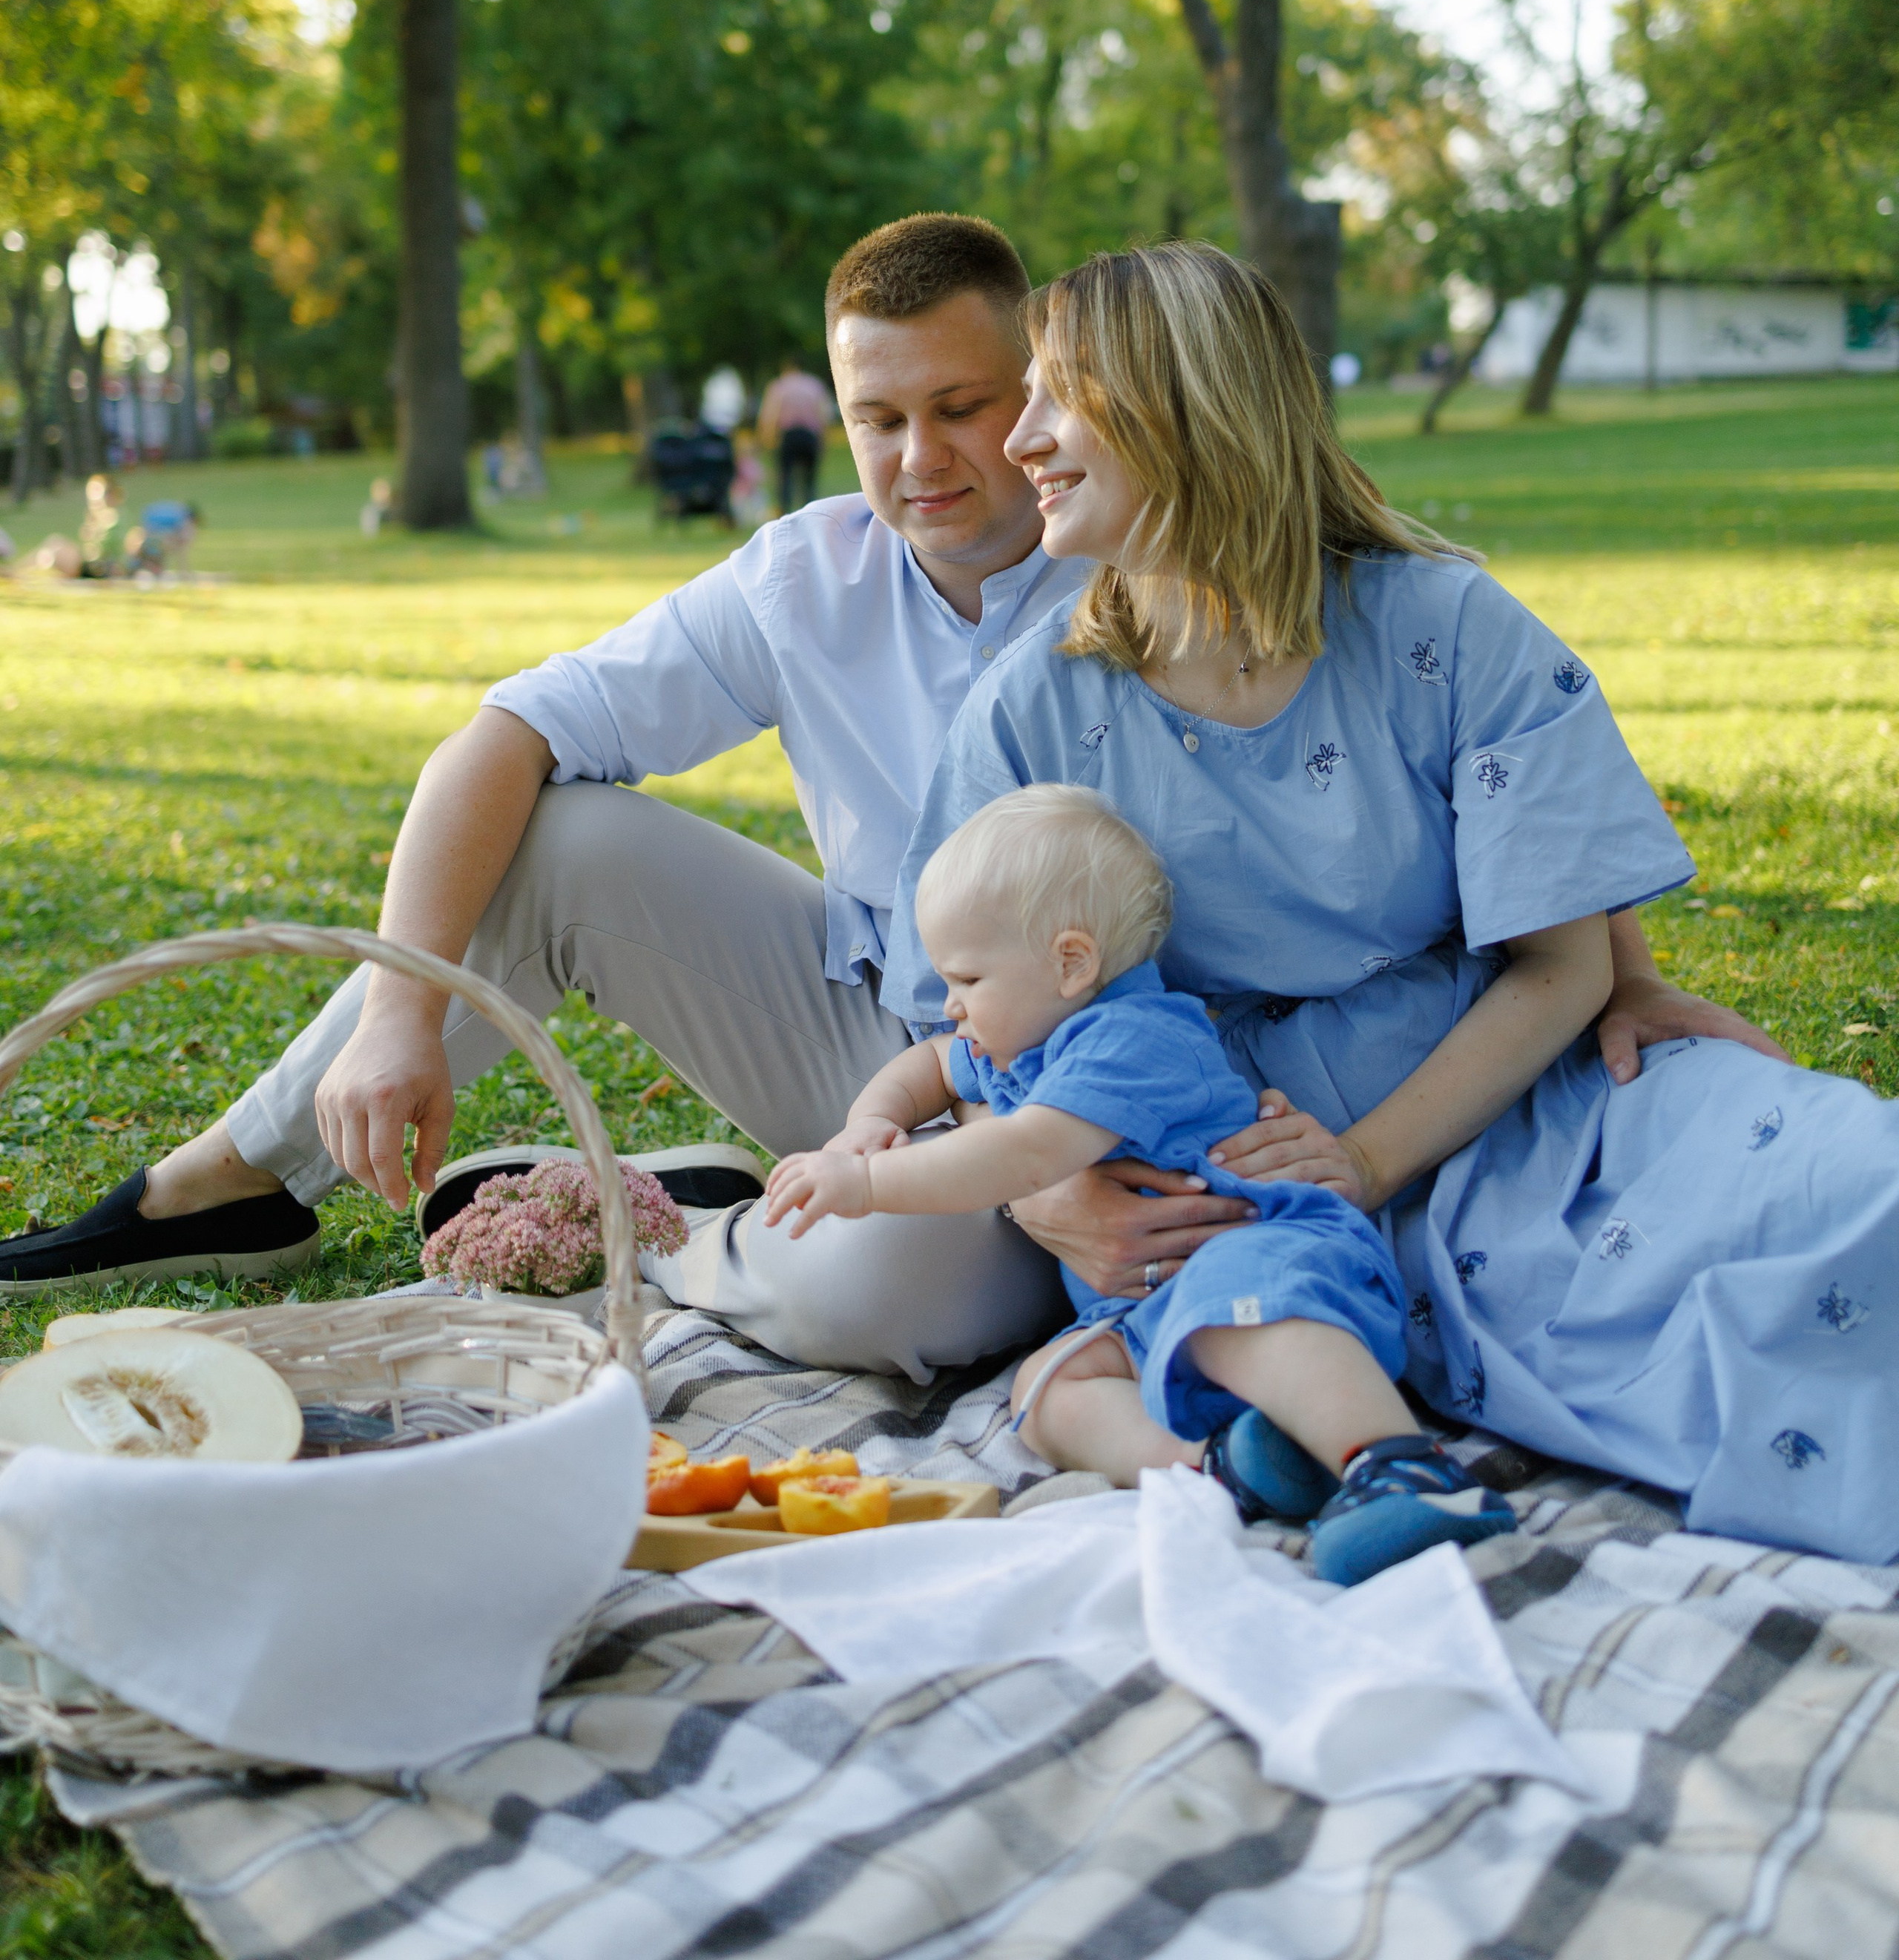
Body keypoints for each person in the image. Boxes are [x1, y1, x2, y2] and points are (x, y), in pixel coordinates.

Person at [0, 216, 1780, 1382]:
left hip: (1119, 1059)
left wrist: (1596, 962)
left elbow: (1430, 745)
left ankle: (680, 1210)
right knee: (557, 837)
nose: (937, 458)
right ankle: (221, 1180)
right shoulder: (816, 574)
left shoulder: (1154, 574)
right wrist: (398, 1007)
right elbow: (500, 734)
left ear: (1074, 402)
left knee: (892, 1311)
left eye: (977, 403)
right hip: (896, 1021)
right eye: (878, 417)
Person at [881, 242, 1898, 1561]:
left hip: (1520, 1100)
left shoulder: (1445, 629)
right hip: (1240, 1184)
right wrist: (1035, 1194)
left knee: (1857, 1182)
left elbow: (1563, 962)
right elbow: (959, 1017)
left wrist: (1370, 1159)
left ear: (1189, 405)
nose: (1019, 440)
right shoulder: (1033, 707)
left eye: (1060, 397)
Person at [766, 783, 1515, 1584]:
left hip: (1263, 1256)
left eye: (967, 980)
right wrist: (867, 1120)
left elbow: (1024, 1155)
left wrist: (867, 1180)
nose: (948, 1005)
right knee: (1048, 1388)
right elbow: (925, 1066)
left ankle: (1403, 1467)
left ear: (1070, 962)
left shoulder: (1133, 1039)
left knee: (1229, 1311)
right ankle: (1217, 1470)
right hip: (1147, 1307)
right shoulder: (1021, 1042)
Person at [758, 358, 832, 516]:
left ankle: (784, 511)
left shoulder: (779, 386)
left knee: (784, 478)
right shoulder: (814, 384)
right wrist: (823, 439)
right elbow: (824, 414)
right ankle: (810, 512)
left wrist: (768, 438)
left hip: (788, 436)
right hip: (809, 436)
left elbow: (771, 415)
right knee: (809, 479)